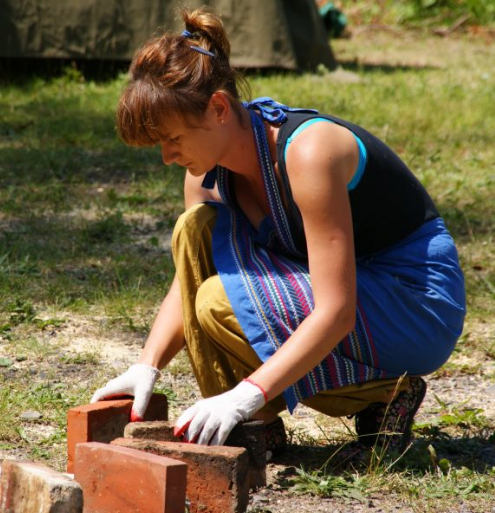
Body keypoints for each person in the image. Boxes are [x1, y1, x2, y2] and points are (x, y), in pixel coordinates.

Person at [91, 7, 466, 455]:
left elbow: (337, 310)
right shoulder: (205, 175)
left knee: (218, 303)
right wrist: (146, 367)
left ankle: (385, 396)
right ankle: (258, 431)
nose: (167, 157)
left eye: (174, 139)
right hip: (350, 293)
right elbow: (188, 276)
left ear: (218, 109)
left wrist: (246, 394)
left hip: (413, 302)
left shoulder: (308, 153)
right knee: (196, 230)